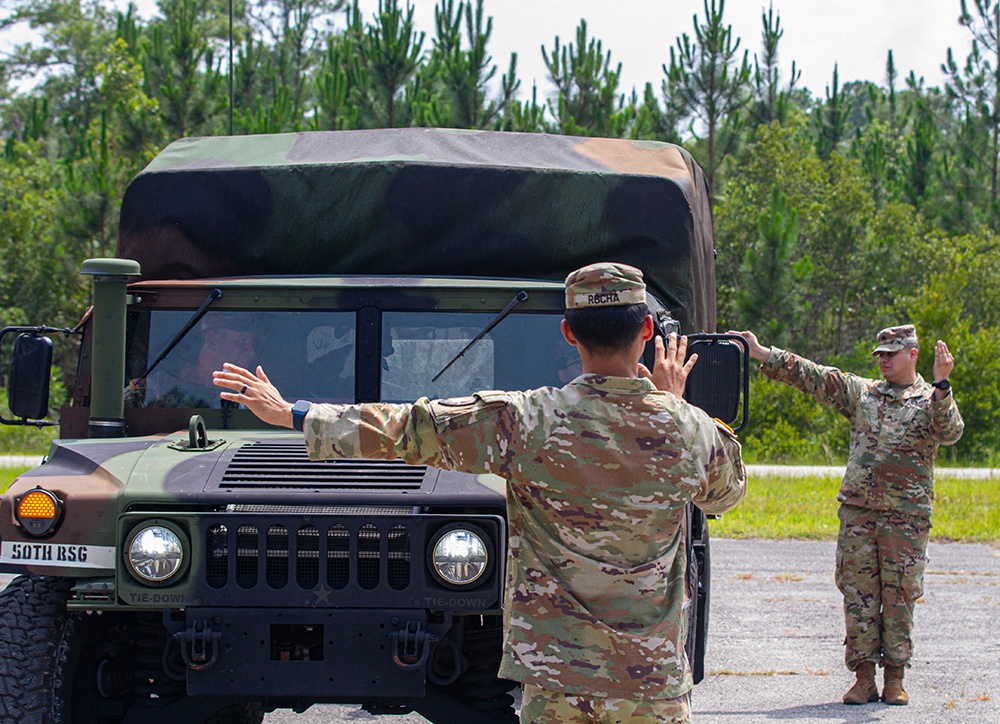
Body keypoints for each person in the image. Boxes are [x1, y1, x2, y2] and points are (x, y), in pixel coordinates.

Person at [215, 262, 747, 723]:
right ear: (648, 329)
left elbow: (409, 427)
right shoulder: (693, 431)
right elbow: (725, 495)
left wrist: (295, 413)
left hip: (558, 677)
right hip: (649, 681)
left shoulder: (527, 420)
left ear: (567, 333)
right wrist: (674, 406)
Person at [730, 325, 964, 707]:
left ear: (913, 353)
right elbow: (816, 376)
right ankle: (863, 678)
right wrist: (761, 353)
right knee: (859, 597)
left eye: (891, 352)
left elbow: (950, 432)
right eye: (880, 354)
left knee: (900, 596)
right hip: (859, 514)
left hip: (905, 518)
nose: (884, 359)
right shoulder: (864, 394)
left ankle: (895, 678)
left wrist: (942, 385)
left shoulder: (930, 398)